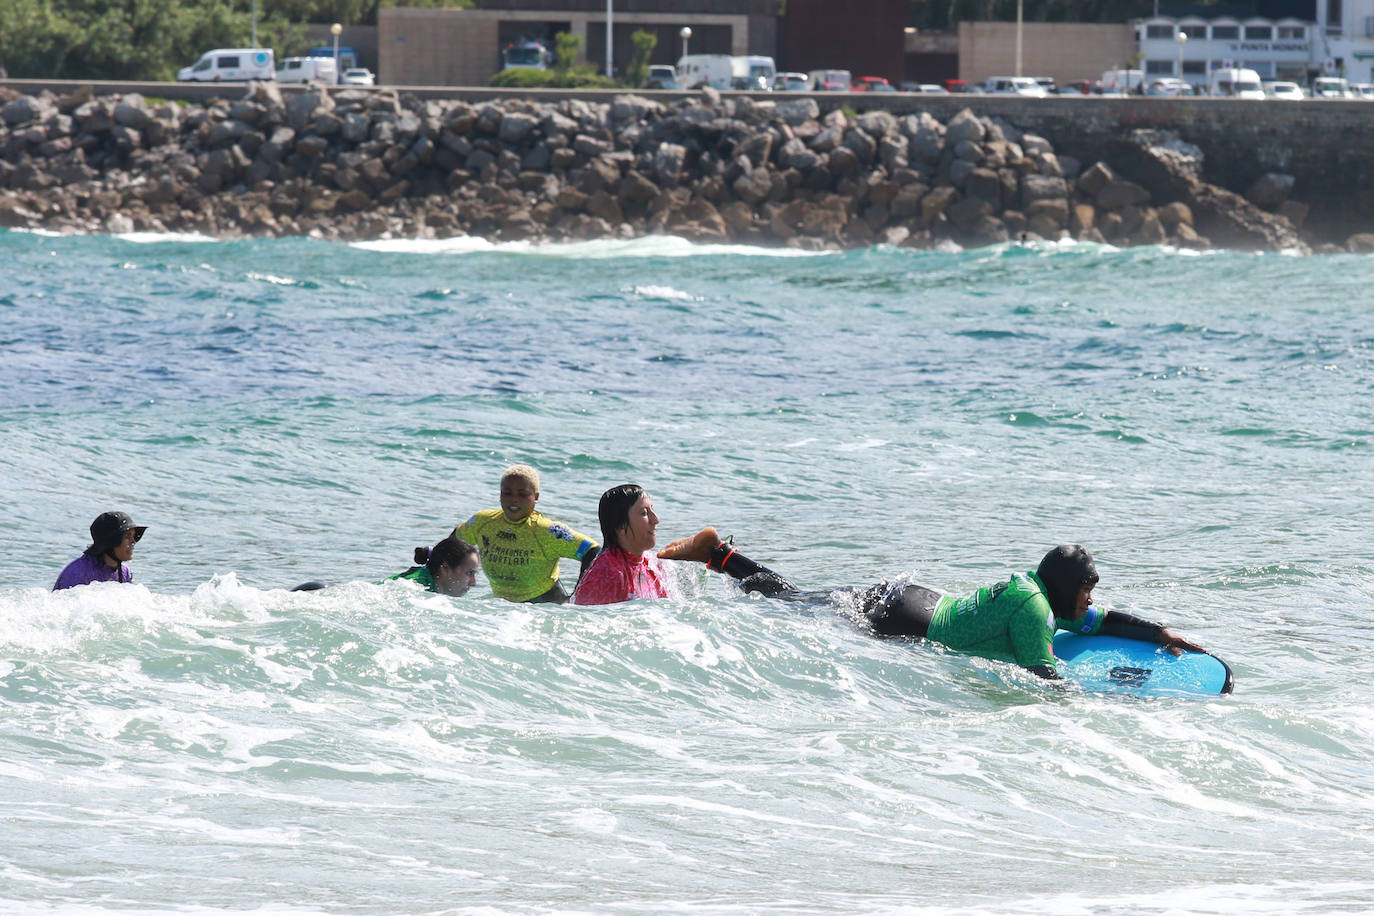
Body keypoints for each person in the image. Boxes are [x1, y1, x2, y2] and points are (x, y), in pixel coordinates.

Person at [667, 539, 1205, 682]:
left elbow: (1103, 619)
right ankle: (718, 557)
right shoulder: (1036, 613)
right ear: (1066, 589)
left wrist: (1162, 632)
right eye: (1085, 592)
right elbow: (1045, 680)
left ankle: (722, 557)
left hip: (913, 595)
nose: (1088, 603)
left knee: (801, 599)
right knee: (791, 605)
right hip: (899, 619)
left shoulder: (1042, 591)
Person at [573, 487, 794, 606]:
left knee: (792, 601)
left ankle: (719, 555)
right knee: (797, 602)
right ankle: (717, 555)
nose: (656, 519)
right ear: (620, 527)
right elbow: (587, 628)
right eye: (644, 513)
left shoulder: (653, 562)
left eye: (652, 510)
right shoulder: (604, 574)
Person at [455, 465, 598, 604]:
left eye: (522, 494)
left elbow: (591, 549)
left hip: (547, 608)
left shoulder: (547, 531)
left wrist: (577, 597)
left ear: (535, 497)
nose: (514, 499)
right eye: (507, 493)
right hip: (502, 608)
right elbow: (453, 544)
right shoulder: (483, 522)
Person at [54, 511, 147, 590]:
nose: (133, 541)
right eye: (127, 536)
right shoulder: (79, 572)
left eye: (133, 536)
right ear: (111, 541)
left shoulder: (124, 572)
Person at [389, 535, 480, 597]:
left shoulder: (448, 594)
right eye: (469, 573)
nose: (474, 583)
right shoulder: (414, 587)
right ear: (445, 567)